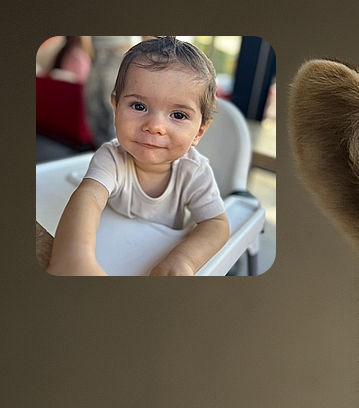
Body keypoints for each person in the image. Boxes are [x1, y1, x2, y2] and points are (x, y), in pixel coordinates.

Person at [48, 37, 230, 276]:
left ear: (199, 132)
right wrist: (74, 255)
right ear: (115, 107)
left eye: (177, 114)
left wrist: (184, 260)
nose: (155, 126)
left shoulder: (194, 172)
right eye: (139, 107)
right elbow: (88, 197)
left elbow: (216, 225)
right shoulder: (111, 158)